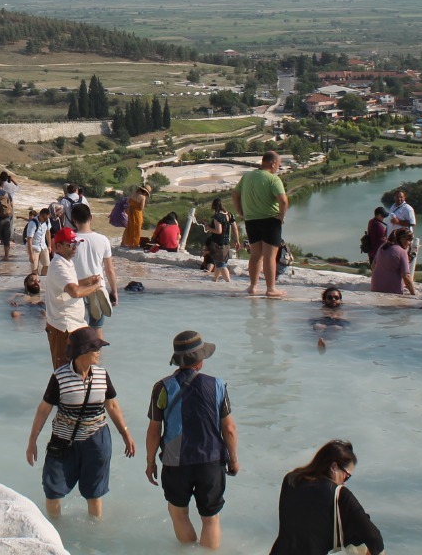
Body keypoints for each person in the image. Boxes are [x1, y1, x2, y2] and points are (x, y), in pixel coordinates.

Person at [24, 328, 137, 518]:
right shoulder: (60, 378)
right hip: (63, 441)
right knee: (52, 491)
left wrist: (126, 435)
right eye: (95, 349)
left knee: (94, 494)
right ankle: (55, 534)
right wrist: (32, 441)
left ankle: (93, 539)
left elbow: (113, 406)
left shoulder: (102, 375)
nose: (99, 352)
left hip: (97, 440)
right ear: (82, 352)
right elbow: (44, 409)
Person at [146, 330, 239, 550]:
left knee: (178, 513)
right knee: (211, 518)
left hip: (175, 462)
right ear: (200, 360)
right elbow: (229, 428)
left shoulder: (161, 387)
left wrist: (150, 462)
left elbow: (153, 430)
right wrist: (233, 459)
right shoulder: (217, 385)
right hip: (211, 460)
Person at [269, 439, 385, 555]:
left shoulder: (291, 480)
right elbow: (374, 538)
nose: (345, 482)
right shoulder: (339, 493)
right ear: (334, 467)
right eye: (347, 476)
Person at [43, 228, 103, 368]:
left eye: (76, 244)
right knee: (64, 370)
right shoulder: (58, 265)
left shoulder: (66, 262)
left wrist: (89, 281)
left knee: (79, 367)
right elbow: (75, 292)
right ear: (58, 246)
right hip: (63, 327)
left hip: (74, 325)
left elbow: (71, 284)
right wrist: (96, 286)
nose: (75, 247)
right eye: (70, 244)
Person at [235, 151, 288, 298]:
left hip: (251, 220)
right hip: (270, 220)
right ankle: (271, 288)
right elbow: (283, 200)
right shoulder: (273, 179)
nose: (279, 167)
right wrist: (281, 216)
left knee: (255, 255)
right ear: (272, 163)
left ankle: (253, 286)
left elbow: (235, 194)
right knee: (270, 256)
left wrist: (240, 211)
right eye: (278, 164)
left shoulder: (247, 177)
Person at [71, 204, 117, 333]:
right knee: (97, 329)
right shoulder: (103, 240)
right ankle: (97, 353)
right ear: (91, 217)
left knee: (75, 331)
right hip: (97, 288)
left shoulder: (70, 240)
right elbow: (109, 270)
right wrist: (114, 292)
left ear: (74, 220)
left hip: (76, 289)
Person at [370, 230, 415, 296]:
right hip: (392, 290)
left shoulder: (383, 246)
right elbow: (406, 276)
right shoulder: (402, 252)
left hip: (376, 287)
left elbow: (373, 266)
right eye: (409, 240)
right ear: (402, 239)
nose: (410, 243)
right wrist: (413, 293)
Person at [23, 207, 51, 275]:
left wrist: (49, 245)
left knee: (47, 265)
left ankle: (43, 280)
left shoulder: (47, 221)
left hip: (43, 246)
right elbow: (29, 239)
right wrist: (30, 255)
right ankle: (36, 281)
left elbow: (48, 232)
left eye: (47, 218)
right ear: (40, 215)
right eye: (44, 218)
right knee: (35, 269)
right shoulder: (32, 223)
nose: (45, 220)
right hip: (34, 247)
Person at [121, 184, 150, 249]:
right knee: (137, 228)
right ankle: (135, 244)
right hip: (137, 212)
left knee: (130, 227)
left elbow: (128, 201)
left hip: (131, 211)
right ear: (145, 192)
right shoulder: (143, 197)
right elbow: (141, 207)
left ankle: (128, 242)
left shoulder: (134, 193)